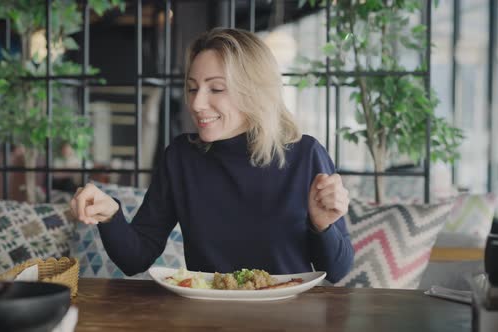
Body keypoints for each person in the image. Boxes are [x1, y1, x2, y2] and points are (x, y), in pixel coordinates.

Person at [69, 28, 353, 283]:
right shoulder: (181, 158)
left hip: (290, 318)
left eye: (216, 88)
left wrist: (322, 225)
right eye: (192, 88)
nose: (197, 102)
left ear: (253, 91)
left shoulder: (305, 155)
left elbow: (338, 271)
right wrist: (111, 215)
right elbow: (136, 258)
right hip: (207, 318)